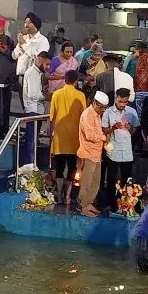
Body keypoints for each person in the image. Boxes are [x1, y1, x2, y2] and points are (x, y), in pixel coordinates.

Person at [49, 70, 86, 204]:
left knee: (59, 165)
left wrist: (50, 134)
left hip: (60, 135)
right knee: (72, 166)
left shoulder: (56, 94)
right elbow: (83, 117)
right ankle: (68, 196)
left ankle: (58, 193)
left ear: (64, 79)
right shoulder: (80, 96)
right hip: (74, 136)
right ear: (76, 81)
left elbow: (52, 117)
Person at [101, 88, 141, 211]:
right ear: (116, 98)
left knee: (127, 178)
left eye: (125, 102)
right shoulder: (108, 112)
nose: (122, 104)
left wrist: (130, 128)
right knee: (111, 179)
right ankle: (110, 203)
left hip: (127, 151)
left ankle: (126, 203)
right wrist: (113, 127)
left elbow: (137, 131)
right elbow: (103, 130)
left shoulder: (132, 112)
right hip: (113, 151)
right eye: (120, 101)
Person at [78, 92, 109, 217]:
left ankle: (89, 203)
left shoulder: (97, 115)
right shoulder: (87, 115)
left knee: (95, 183)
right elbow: (90, 135)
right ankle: (83, 206)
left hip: (97, 154)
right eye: (101, 107)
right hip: (88, 153)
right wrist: (102, 137)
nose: (102, 110)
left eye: (104, 108)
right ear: (95, 103)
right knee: (86, 183)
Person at [20, 51, 51, 164]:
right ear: (39, 60)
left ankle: (31, 162)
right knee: (31, 140)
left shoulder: (38, 73)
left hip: (38, 110)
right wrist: (45, 96)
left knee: (33, 139)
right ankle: (29, 164)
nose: (48, 67)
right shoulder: (32, 73)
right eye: (46, 64)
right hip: (32, 110)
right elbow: (33, 94)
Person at [13, 13, 51, 80]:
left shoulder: (43, 40)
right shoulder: (24, 38)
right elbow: (14, 56)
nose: (26, 25)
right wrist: (19, 45)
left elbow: (39, 57)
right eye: (25, 22)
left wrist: (23, 45)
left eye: (30, 22)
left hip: (34, 77)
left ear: (36, 25)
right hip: (20, 76)